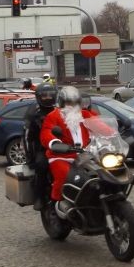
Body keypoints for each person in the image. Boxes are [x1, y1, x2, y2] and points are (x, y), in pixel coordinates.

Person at [40, 86, 95, 217]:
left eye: (75, 103)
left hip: (85, 155)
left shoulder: (85, 115)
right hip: (61, 155)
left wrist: (112, 132)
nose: (72, 106)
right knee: (64, 176)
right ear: (62, 103)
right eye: (69, 102)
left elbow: (98, 124)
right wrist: (54, 143)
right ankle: (55, 205)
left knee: (101, 173)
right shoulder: (53, 116)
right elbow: (46, 132)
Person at [24, 83, 58, 210]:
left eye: (50, 95)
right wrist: (30, 157)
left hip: (62, 146)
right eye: (44, 95)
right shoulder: (34, 113)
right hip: (42, 148)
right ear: (39, 97)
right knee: (41, 166)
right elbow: (27, 136)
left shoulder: (59, 110)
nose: (48, 97)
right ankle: (39, 196)